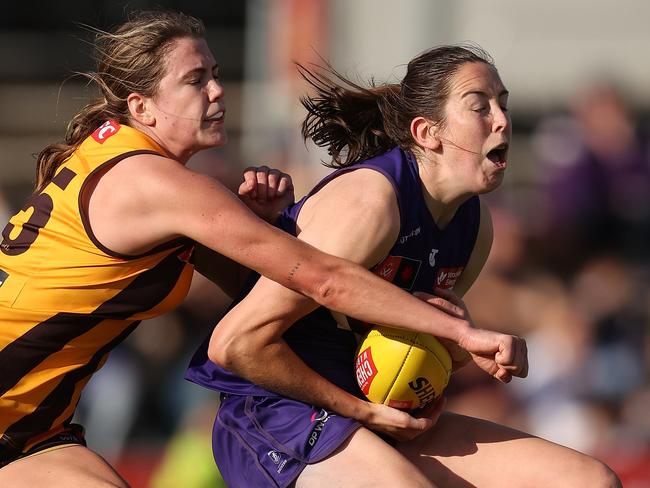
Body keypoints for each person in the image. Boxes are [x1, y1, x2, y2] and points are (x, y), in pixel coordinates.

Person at [0, 11, 530, 488]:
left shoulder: (125, 162)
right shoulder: (154, 182)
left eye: (214, 74)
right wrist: (459, 331)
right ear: (143, 106)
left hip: (29, 427)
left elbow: (261, 291)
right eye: (194, 80)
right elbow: (322, 279)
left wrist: (268, 224)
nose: (216, 92)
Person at [187, 45, 622, 487]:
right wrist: (365, 409)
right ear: (427, 132)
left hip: (373, 415)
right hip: (277, 414)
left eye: (503, 104)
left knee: (590, 480)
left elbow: (411, 347)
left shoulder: (475, 224)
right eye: (480, 107)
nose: (503, 120)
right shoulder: (372, 201)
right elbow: (237, 343)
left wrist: (458, 350)